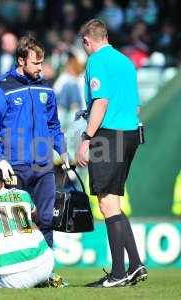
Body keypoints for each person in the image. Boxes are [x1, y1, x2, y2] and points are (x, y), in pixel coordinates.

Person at [76, 19, 147, 288]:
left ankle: (118, 274)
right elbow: (135, 106)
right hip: (130, 133)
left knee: (106, 203)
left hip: (109, 134)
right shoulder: (125, 61)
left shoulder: (96, 60)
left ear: (87, 41)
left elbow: (101, 101)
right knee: (113, 202)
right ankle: (135, 265)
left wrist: (86, 138)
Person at [0, 36, 68, 249]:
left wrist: (63, 152)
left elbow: (54, 125)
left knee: (47, 220)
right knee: (18, 224)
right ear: (21, 61)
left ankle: (47, 274)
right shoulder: (2, 88)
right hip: (14, 168)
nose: (41, 67)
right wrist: (0, 160)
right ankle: (18, 272)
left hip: (44, 166)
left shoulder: (46, 88)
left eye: (41, 62)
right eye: (36, 63)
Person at [0, 166, 55, 288]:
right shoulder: (23, 194)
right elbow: (35, 217)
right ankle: (48, 278)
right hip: (46, 264)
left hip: (16, 278)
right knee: (31, 224)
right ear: (3, 183)